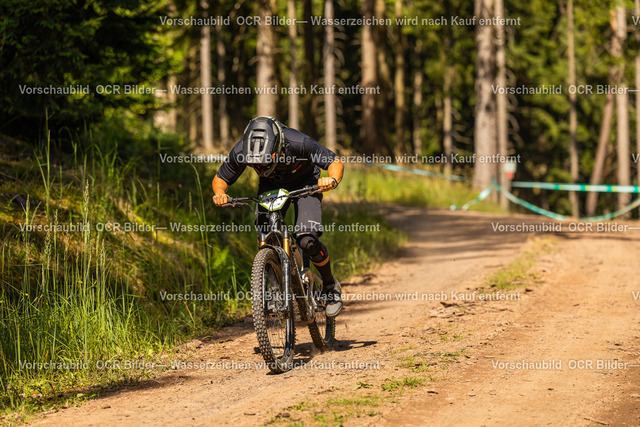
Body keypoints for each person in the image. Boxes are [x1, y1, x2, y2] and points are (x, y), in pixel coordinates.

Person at [212, 116, 344, 317]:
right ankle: (275, 289)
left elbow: (334, 162)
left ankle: (330, 286)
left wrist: (332, 179)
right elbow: (221, 178)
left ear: (278, 148)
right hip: (272, 186)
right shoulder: (242, 150)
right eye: (256, 165)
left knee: (307, 239)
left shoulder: (298, 142)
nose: (261, 167)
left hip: (307, 182)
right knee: (266, 234)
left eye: (265, 162)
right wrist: (220, 193)